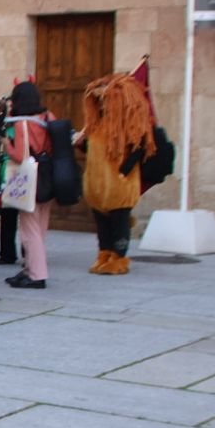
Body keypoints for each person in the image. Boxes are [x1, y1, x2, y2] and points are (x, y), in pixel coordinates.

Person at [77, 71, 156, 276]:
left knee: (120, 222)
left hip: (119, 186)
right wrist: (80, 145)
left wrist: (124, 172)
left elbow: (138, 148)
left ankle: (119, 258)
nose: (102, 104)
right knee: (102, 224)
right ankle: (104, 254)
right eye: (99, 100)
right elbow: (94, 151)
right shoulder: (96, 126)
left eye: (105, 100)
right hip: (98, 185)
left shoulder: (126, 126)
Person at [2, 81, 52, 290]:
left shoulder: (22, 123)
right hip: (49, 174)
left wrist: (6, 145)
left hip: (30, 178)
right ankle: (31, 269)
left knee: (29, 228)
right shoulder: (48, 117)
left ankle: (37, 275)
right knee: (40, 226)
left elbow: (20, 155)